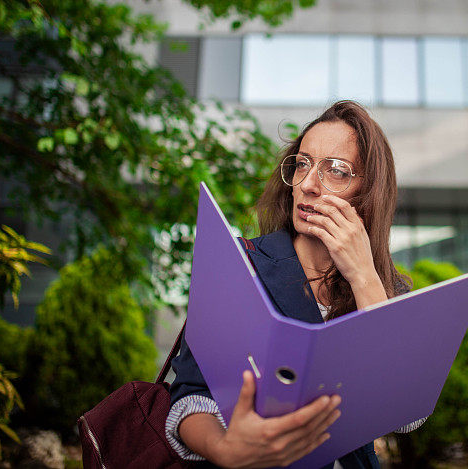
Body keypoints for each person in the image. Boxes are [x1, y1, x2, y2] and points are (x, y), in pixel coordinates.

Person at [166, 100, 426, 468]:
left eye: (335, 170)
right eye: (302, 164)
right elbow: (190, 395)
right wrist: (224, 449)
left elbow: (407, 415)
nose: (307, 185)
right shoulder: (243, 263)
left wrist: (363, 277)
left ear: (368, 191)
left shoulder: (388, 289)